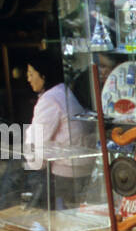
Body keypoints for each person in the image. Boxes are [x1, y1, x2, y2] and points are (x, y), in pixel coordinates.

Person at [0, 51, 92, 212]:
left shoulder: (50, 100)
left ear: (43, 75)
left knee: (15, 167)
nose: (28, 79)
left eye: (31, 74)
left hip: (66, 172)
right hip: (77, 166)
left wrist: (29, 163)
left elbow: (35, 148)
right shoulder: (62, 92)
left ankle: (6, 213)